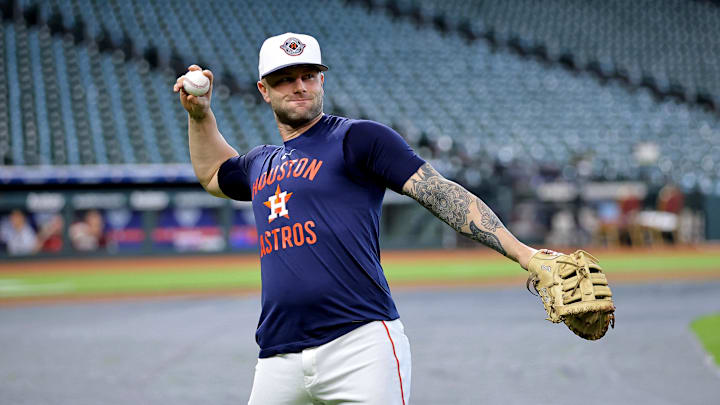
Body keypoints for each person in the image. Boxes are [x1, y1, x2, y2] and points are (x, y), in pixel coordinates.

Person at [174, 32, 541, 405]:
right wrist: (200, 115)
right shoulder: (259, 162)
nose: (299, 86)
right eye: (285, 79)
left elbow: (440, 192)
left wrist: (526, 255)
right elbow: (213, 173)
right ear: (264, 90)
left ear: (322, 80)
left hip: (360, 346)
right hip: (278, 354)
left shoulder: (358, 139)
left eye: (308, 75)